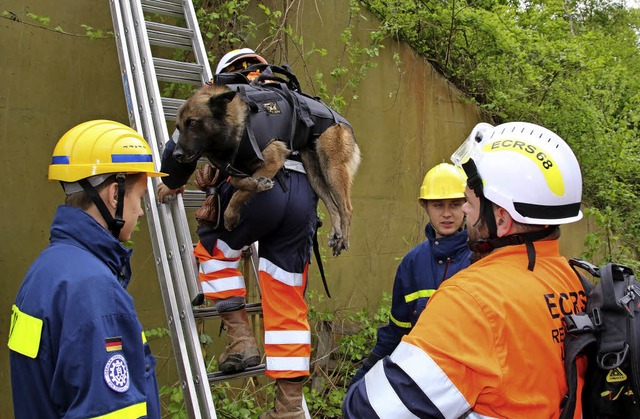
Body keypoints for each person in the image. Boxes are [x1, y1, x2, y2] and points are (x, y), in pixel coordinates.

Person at [343, 121, 586, 418]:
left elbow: (371, 411)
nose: (463, 212)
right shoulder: (575, 280)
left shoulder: (471, 299)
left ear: (501, 219)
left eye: (468, 202)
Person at [158, 48, 316, 418]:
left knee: (214, 253)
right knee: (286, 294)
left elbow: (178, 147)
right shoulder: (287, 96)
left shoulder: (217, 94)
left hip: (257, 192)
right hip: (304, 199)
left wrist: (174, 182)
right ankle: (290, 408)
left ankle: (241, 340)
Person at [8, 120, 165, 418]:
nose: (141, 210)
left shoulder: (45, 270)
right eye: (139, 197)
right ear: (115, 195)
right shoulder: (95, 290)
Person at [349, 163, 471, 386]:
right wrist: (364, 375)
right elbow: (397, 332)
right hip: (425, 381)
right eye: (438, 205)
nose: (446, 213)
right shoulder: (413, 263)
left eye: (454, 204)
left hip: (469, 381)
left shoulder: (480, 258)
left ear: (467, 206)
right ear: (425, 206)